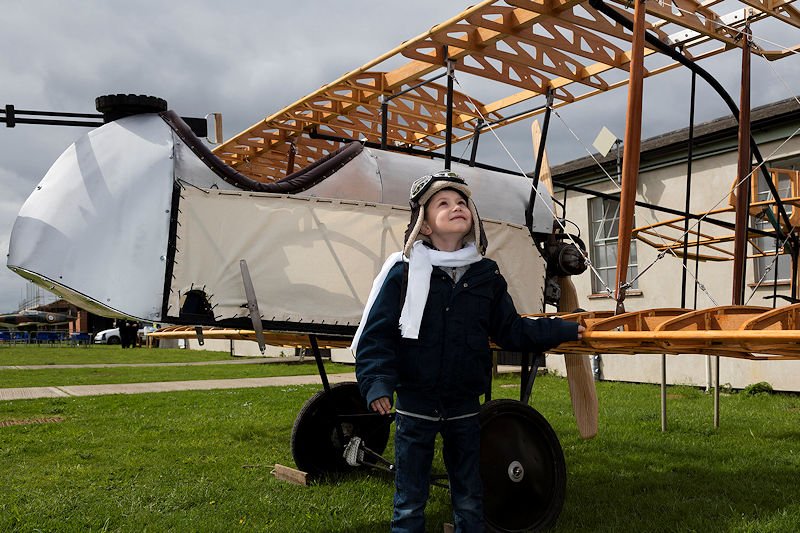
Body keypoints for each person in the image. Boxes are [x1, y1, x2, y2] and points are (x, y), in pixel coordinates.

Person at [352, 170, 583, 532]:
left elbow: (512, 329)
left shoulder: (485, 274)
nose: (456, 207)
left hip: (463, 406)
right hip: (415, 404)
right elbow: (377, 336)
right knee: (410, 500)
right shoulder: (404, 274)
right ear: (424, 226)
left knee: (470, 495)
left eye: (462, 202)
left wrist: (564, 327)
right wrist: (377, 382)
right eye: (442, 203)